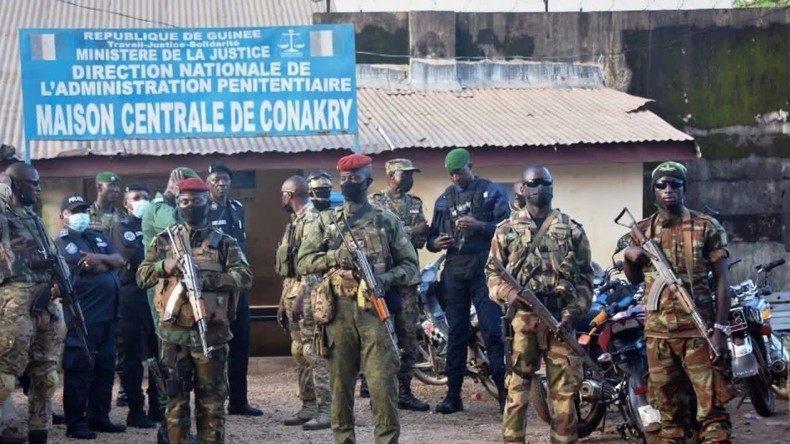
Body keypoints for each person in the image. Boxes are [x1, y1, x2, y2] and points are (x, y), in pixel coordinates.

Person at [297, 154, 419, 444]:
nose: (350, 182)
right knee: (340, 387)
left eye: (355, 177)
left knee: (382, 385)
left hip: (375, 313)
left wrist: (385, 279)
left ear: (368, 180)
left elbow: (411, 266)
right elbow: (303, 261)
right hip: (337, 314)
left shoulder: (386, 221)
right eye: (345, 178)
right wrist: (333, 257)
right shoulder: (328, 222)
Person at [623, 161, 735, 443]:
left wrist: (721, 329)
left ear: (684, 188)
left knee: (712, 414)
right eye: (662, 185)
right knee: (669, 419)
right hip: (658, 337)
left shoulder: (705, 226)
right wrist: (629, 256)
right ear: (653, 191)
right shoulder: (642, 230)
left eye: (675, 184)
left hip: (700, 333)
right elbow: (634, 279)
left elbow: (723, 280)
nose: (668, 190)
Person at [137, 177, 252, 444]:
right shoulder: (163, 241)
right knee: (175, 403)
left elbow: (245, 276)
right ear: (178, 204)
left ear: (207, 204)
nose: (191, 206)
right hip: (173, 337)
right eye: (185, 201)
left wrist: (208, 281)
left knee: (211, 403)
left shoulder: (224, 242)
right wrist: (162, 267)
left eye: (197, 201)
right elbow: (141, 277)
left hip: (211, 335)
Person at [485, 165, 594, 443]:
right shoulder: (506, 229)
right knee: (517, 389)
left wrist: (574, 313)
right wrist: (509, 295)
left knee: (565, 394)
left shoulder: (571, 229)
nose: (539, 189)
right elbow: (491, 274)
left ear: (553, 187)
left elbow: (586, 278)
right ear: (521, 188)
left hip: (560, 319)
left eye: (545, 183)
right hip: (523, 318)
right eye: (533, 183)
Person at [426, 147, 510, 413]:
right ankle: (453, 396)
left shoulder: (492, 192)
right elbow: (431, 238)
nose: (456, 179)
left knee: (492, 331)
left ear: (470, 166)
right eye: (452, 174)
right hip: (454, 271)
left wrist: (480, 227)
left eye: (460, 172)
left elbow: (509, 229)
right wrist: (436, 242)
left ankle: (504, 397)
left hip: (484, 270)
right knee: (456, 335)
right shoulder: (444, 200)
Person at [0, 163, 66, 444]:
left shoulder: (34, 218)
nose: (38, 189)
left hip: (45, 302)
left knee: (46, 375)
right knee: (5, 374)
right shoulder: (4, 216)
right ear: (15, 185)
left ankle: (39, 432)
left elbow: (52, 254)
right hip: (15, 299)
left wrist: (61, 281)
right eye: (32, 184)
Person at [56, 194, 127, 439]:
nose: (81, 215)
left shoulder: (97, 236)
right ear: (63, 216)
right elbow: (85, 265)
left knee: (105, 368)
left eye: (83, 210)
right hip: (84, 317)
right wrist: (104, 262)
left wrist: (100, 258)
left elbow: (119, 260)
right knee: (80, 370)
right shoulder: (63, 241)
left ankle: (99, 416)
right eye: (75, 211)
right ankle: (76, 422)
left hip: (109, 315)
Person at [140, 166, 200, 442]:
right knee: (171, 365)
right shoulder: (157, 209)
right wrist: (172, 197)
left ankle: (186, 426)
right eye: (186, 193)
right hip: (167, 302)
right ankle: (167, 425)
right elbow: (176, 222)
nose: (190, 201)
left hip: (191, 303)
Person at [369, 158, 430, 412]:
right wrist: (408, 229)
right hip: (382, 280)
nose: (410, 178)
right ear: (392, 175)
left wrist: (409, 233)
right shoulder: (375, 202)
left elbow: (422, 239)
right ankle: (379, 393)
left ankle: (404, 391)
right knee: (380, 337)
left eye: (411, 174)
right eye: (405, 174)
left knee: (407, 337)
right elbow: (377, 235)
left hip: (407, 281)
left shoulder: (415, 203)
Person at [205, 162, 261, 417]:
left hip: (238, 288)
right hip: (215, 289)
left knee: (241, 342)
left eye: (226, 179)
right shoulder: (202, 209)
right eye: (217, 178)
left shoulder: (237, 208)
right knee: (215, 343)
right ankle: (212, 400)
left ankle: (239, 400)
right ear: (208, 182)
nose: (222, 183)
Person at [276, 176, 331, 430]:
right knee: (299, 351)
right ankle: (308, 405)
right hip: (292, 294)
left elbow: (313, 267)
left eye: (282, 194)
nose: (281, 199)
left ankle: (326, 410)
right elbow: (290, 270)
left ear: (289, 195)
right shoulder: (294, 223)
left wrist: (299, 298)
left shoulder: (311, 221)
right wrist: (282, 302)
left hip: (308, 296)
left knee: (314, 351)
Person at [108, 183, 159, 429]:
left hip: (157, 297)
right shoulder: (121, 227)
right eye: (136, 198)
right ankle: (136, 410)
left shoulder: (156, 226)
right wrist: (159, 259)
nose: (142, 201)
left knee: (159, 355)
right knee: (132, 357)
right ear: (127, 204)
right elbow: (133, 258)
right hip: (132, 298)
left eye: (146, 197)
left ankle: (158, 406)